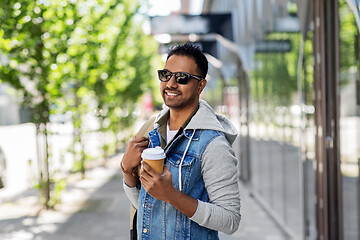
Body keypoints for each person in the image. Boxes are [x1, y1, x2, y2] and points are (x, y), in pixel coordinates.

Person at [121, 43, 241, 239]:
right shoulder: (151, 131)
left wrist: (172, 195)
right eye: (166, 75)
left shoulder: (213, 144)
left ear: (200, 85)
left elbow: (230, 219)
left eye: (182, 78)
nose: (171, 84)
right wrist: (127, 170)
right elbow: (145, 204)